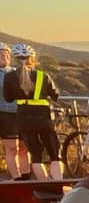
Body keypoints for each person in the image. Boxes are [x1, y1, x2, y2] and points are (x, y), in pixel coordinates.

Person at [1, 43, 63, 180]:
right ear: (32, 58)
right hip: (44, 116)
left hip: (23, 117)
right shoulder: (43, 75)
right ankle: (58, 183)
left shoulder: (10, 77)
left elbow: (8, 98)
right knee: (54, 154)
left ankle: (44, 183)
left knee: (35, 155)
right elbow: (55, 95)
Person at [0, 42, 31, 180]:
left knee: (25, 148)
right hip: (5, 115)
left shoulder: (16, 71)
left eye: (6, 54)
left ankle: (26, 177)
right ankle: (16, 178)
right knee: (12, 148)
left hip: (22, 113)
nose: (3, 56)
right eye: (0, 54)